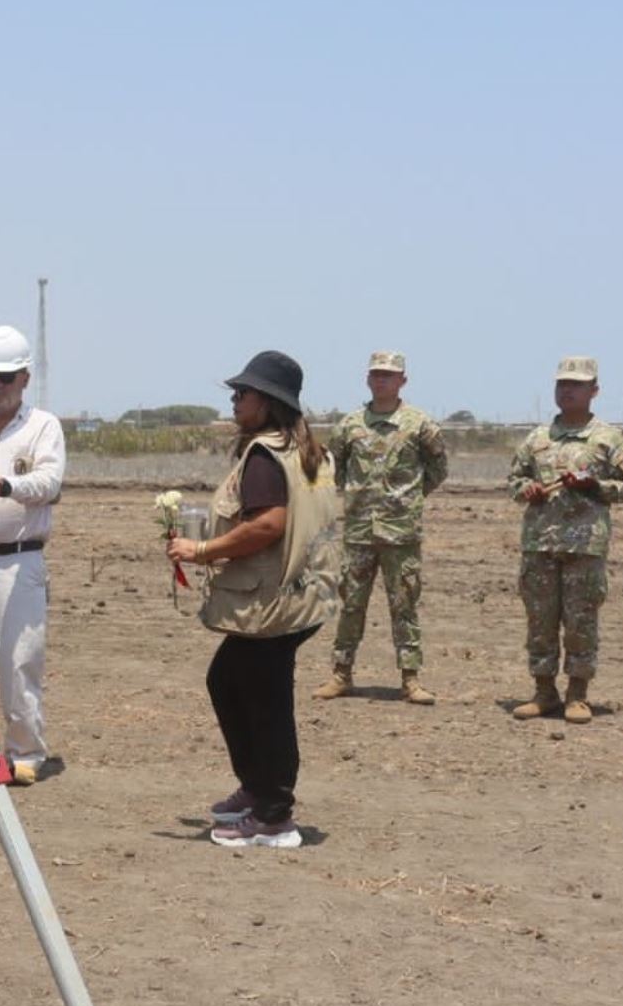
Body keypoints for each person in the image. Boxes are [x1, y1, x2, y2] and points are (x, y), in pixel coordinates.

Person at [167, 350, 338, 849]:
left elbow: (268, 525)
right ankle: (258, 789)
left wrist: (202, 549)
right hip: (306, 596)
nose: (235, 401)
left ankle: (273, 814)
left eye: (242, 394)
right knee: (232, 681)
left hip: (273, 601)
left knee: (264, 700)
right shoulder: (310, 451)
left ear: (266, 402)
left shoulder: (265, 455)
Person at [0, 324, 66, 785]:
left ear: (24, 377)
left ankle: (25, 752)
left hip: (18, 558)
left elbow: (49, 484)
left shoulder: (44, 427)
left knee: (19, 660)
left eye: (5, 377)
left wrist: (5, 486)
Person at [506, 356, 623, 724]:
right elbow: (513, 482)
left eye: (576, 385)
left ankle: (578, 695)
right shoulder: (537, 439)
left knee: (581, 622)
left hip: (585, 546)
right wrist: (527, 489)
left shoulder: (608, 438)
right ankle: (543, 692)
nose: (567, 390)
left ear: (593, 391)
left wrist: (595, 486)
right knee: (540, 621)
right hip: (540, 545)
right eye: (562, 384)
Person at [314, 350, 448, 704]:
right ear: (367, 379)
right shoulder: (349, 425)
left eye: (388, 375)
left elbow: (437, 469)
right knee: (351, 604)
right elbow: (335, 470)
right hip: (358, 531)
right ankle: (341, 674)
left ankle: (411, 679)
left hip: (401, 532)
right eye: (375, 374)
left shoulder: (420, 424)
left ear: (402, 380)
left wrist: (409, 500)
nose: (381, 380)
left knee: (404, 604)